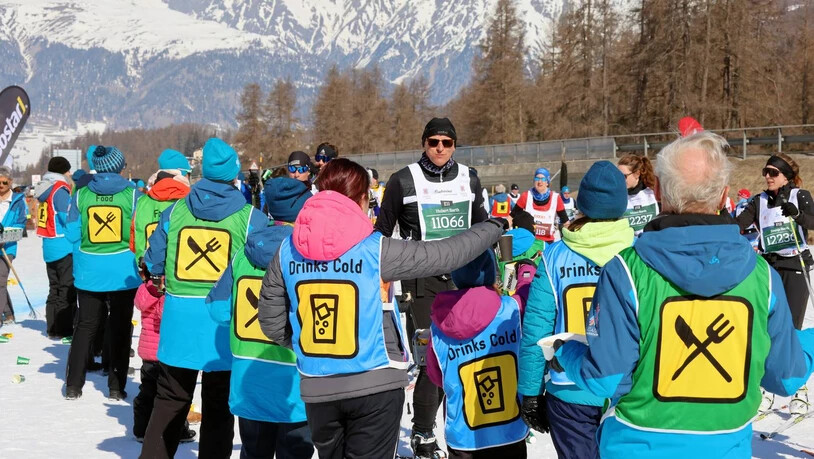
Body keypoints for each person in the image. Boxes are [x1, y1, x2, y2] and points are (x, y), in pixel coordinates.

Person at [552, 131, 814, 457]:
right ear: (723, 196)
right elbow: (786, 377)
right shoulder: (763, 278)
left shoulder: (625, 271)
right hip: (724, 448)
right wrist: (808, 341)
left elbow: (605, 378)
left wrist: (566, 351)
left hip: (636, 447)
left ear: (660, 191)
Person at [257, 158, 507, 459]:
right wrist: (493, 226)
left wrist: (307, 342)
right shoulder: (375, 249)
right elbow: (446, 254)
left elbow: (270, 321)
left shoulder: (287, 250)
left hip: (317, 387)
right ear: (362, 198)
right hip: (375, 381)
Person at [140, 138, 270, 458]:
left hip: (179, 319)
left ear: (202, 172)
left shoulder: (176, 210)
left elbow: (154, 259)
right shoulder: (251, 217)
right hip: (224, 321)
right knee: (219, 406)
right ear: (233, 174)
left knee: (170, 399)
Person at [374, 117, 489, 458]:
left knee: (466, 352)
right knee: (431, 356)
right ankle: (423, 431)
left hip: (464, 276)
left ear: (455, 145)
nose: (440, 148)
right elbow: (382, 231)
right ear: (424, 142)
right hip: (420, 280)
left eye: (447, 142)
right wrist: (384, 276)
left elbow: (482, 227)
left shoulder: (469, 177)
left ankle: (467, 424)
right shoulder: (403, 179)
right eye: (433, 141)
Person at [518, 161, 634, 459]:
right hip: (625, 387)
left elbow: (536, 329)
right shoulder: (637, 253)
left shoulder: (554, 256)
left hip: (569, 388)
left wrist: (530, 392)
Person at [206, 178, 314, 459]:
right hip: (296, 384)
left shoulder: (242, 255)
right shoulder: (312, 258)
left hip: (249, 381)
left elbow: (217, 309)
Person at [425, 251, 531, 459]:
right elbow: (531, 296)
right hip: (509, 430)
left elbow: (436, 376)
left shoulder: (440, 325)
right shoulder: (512, 309)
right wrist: (526, 271)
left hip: (464, 434)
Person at [736, 153, 814, 414]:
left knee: (791, 327)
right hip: (769, 268)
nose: (767, 176)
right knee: (764, 326)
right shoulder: (758, 201)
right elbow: (739, 225)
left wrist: (798, 215)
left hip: (795, 266)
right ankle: (766, 386)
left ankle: (799, 387)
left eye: (773, 172)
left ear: (786, 176)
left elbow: (813, 222)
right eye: (765, 172)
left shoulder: (799, 196)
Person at [64, 146, 142, 400]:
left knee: (85, 326)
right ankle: (116, 386)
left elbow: (71, 233)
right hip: (123, 271)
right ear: (120, 166)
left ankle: (74, 384)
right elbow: (139, 233)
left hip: (89, 270)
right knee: (120, 328)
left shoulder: (81, 194)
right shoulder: (133, 195)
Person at [130, 150, 194, 443]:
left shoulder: (142, 200)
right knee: (175, 386)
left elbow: (134, 241)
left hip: (149, 279)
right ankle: (173, 428)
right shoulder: (189, 204)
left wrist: (147, 273)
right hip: (183, 285)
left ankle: (142, 426)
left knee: (148, 385)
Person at [34, 157, 76, 338]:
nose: (70, 175)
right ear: (63, 172)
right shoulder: (59, 189)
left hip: (49, 245)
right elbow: (66, 216)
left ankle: (52, 327)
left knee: (54, 287)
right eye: (68, 171)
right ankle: (64, 328)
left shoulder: (44, 188)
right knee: (66, 289)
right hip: (63, 244)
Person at [130, 150, 191, 263]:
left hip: (147, 273)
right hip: (180, 275)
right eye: (189, 174)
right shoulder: (191, 202)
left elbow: (133, 245)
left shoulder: (141, 202)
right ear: (183, 175)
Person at [0, 167, 28, 325]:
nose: (1, 185)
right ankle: (8, 313)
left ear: (10, 182)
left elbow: (20, 226)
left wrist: (3, 238)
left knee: (0, 279)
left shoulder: (17, 201)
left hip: (7, 247)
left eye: (4, 182)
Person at [514, 168, 569, 243]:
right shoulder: (526, 196)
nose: (540, 182)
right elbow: (512, 216)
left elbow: (566, 221)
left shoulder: (556, 198)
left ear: (547, 182)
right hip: (529, 241)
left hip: (547, 242)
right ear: (534, 181)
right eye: (537, 178)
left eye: (543, 179)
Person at [617, 154, 659, 236]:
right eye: (618, 176)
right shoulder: (617, 196)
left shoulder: (652, 193)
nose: (620, 180)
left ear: (637, 174)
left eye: (624, 176)